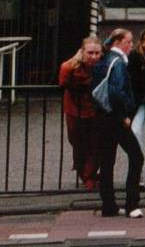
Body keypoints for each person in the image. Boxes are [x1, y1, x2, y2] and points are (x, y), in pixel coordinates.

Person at [92, 27, 143, 218]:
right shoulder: (119, 63)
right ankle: (131, 204)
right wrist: (124, 116)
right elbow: (116, 92)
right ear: (118, 42)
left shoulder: (102, 60)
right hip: (115, 118)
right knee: (136, 156)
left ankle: (108, 205)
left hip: (102, 116)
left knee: (107, 162)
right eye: (129, 41)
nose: (131, 45)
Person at [58, 35, 104, 190]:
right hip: (74, 109)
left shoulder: (103, 64)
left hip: (95, 108)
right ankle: (82, 171)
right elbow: (62, 83)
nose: (94, 57)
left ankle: (90, 175)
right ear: (82, 52)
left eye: (97, 53)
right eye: (90, 53)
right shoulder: (69, 66)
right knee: (77, 141)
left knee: (96, 142)